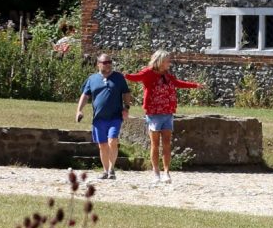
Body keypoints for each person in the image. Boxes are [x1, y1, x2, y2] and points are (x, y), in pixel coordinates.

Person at [123, 49, 200, 185]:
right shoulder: (148, 73)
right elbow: (135, 77)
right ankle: (156, 172)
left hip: (167, 113)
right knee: (155, 144)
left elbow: (178, 83)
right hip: (154, 114)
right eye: (167, 60)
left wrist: (195, 85)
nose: (169, 63)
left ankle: (166, 172)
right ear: (160, 61)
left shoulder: (167, 75)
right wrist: (124, 75)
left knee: (166, 144)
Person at [76, 53, 129, 179]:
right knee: (103, 145)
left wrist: (126, 108)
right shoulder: (92, 79)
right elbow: (85, 96)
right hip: (99, 118)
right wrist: (79, 110)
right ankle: (105, 171)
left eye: (110, 62)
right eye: (105, 62)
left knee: (113, 140)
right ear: (98, 64)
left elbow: (126, 93)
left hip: (115, 117)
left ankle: (112, 169)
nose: (108, 64)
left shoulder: (118, 77)